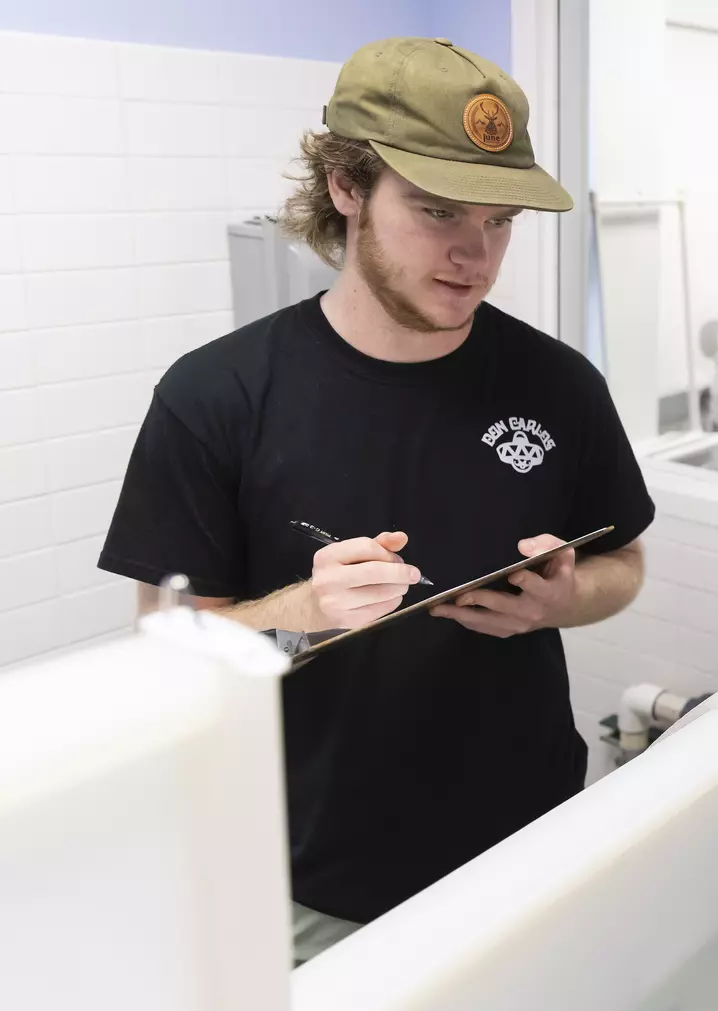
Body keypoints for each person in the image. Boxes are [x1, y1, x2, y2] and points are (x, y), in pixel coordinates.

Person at [98, 37, 655, 965]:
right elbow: (165, 647)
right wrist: (299, 610)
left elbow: (623, 561)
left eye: (500, 221)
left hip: (533, 844)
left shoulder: (559, 385)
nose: (473, 255)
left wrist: (568, 598)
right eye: (437, 211)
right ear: (346, 185)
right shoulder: (218, 398)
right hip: (315, 883)